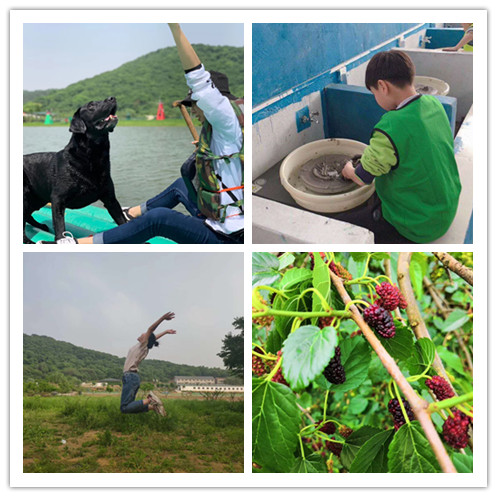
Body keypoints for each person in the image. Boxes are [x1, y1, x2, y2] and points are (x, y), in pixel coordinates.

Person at [41, 23, 243, 245]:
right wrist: (205, 153)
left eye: (194, 104)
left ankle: (76, 245)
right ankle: (132, 213)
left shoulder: (225, 120)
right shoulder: (216, 131)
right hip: (214, 218)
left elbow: (200, 81)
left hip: (228, 235)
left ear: (213, 105)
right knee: (180, 185)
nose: (193, 109)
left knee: (157, 219)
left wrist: (175, 28)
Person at [341, 50, 461, 243]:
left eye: (374, 93)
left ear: (382, 86)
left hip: (418, 225)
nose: (376, 99)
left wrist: (348, 170)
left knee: (340, 227)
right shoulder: (434, 104)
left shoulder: (390, 127)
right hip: (445, 209)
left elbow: (362, 177)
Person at [120, 311, 176, 416]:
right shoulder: (142, 346)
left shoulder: (143, 345)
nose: (142, 334)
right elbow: (152, 337)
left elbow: (151, 330)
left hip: (130, 376)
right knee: (129, 406)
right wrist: (165, 332)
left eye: (144, 334)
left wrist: (163, 318)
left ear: (146, 338)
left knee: (124, 407)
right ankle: (153, 407)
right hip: (132, 377)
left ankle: (150, 400)